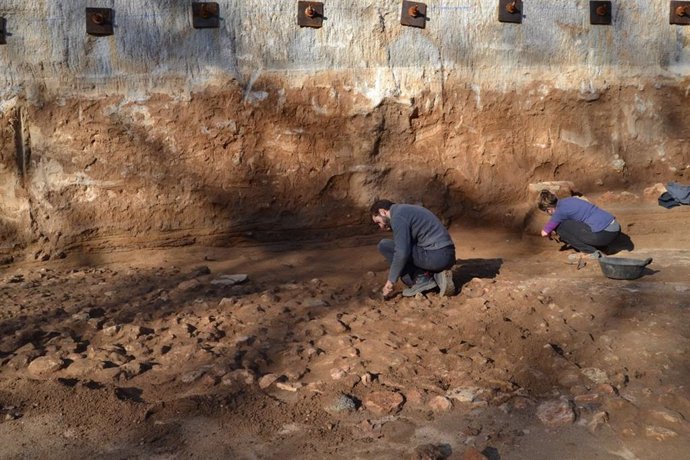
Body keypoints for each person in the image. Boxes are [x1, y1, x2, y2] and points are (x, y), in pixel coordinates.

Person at [370, 199, 456, 298]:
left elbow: (401, 253)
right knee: (404, 248)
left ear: (382, 212)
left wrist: (390, 282)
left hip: (436, 256)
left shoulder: (397, 217)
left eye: (378, 222)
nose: (381, 226)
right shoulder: (406, 210)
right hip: (447, 255)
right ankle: (438, 275)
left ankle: (421, 279)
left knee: (385, 245)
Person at [538, 189, 620, 259]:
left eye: (546, 211)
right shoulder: (569, 200)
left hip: (605, 235)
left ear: (549, 209)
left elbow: (544, 233)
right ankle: (603, 247)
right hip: (615, 228)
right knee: (572, 224)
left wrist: (551, 231)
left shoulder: (559, 213)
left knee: (560, 227)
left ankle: (592, 252)